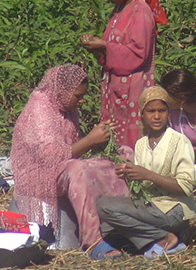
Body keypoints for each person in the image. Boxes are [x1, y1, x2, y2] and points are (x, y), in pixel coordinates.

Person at [10, 64, 128, 251]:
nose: (81, 101)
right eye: (78, 96)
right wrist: (90, 140)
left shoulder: (65, 106)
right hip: (39, 175)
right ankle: (92, 241)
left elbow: (73, 148)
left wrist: (100, 139)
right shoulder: (38, 109)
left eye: (83, 96)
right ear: (62, 91)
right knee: (77, 169)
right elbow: (50, 157)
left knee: (124, 154)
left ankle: (127, 225)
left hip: (62, 166)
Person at [93, 86, 196, 259]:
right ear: (142, 114)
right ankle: (160, 236)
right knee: (107, 226)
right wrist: (129, 173)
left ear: (168, 112)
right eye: (151, 111)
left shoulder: (179, 141)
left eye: (162, 111)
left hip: (174, 210)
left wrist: (147, 174)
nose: (156, 116)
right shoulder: (141, 144)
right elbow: (141, 189)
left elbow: (186, 186)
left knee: (105, 207)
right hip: (153, 207)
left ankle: (163, 238)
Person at [80, 0, 167, 151]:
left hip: (133, 88)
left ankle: (135, 172)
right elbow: (114, 45)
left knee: (133, 138)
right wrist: (97, 48)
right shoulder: (119, 10)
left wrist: (103, 45)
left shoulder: (141, 11)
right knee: (116, 136)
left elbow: (138, 53)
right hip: (117, 87)